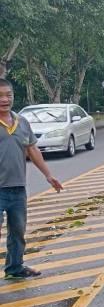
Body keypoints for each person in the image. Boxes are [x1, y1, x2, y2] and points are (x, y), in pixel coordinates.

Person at [0, 79, 63, 279]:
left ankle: (15, 268)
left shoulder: (21, 121)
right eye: (0, 95)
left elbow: (32, 149)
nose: (4, 99)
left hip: (18, 188)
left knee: (18, 231)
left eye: (8, 95)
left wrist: (48, 174)